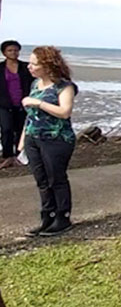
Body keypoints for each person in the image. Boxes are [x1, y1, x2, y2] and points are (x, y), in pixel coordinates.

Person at [19, 46, 79, 237]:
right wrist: (22, 140)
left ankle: (63, 217)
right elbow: (31, 117)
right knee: (42, 181)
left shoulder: (64, 86)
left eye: (34, 64)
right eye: (29, 63)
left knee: (56, 179)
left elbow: (64, 112)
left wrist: (38, 103)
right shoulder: (35, 84)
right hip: (33, 138)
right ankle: (48, 216)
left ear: (47, 65)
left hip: (57, 139)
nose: (29, 67)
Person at [0, 40, 33, 169]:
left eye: (15, 50)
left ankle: (20, 156)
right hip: (4, 104)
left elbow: (35, 81)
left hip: (22, 104)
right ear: (4, 53)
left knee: (21, 130)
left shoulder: (26, 67)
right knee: (6, 129)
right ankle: (7, 156)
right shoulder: (0, 68)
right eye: (10, 50)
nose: (13, 53)